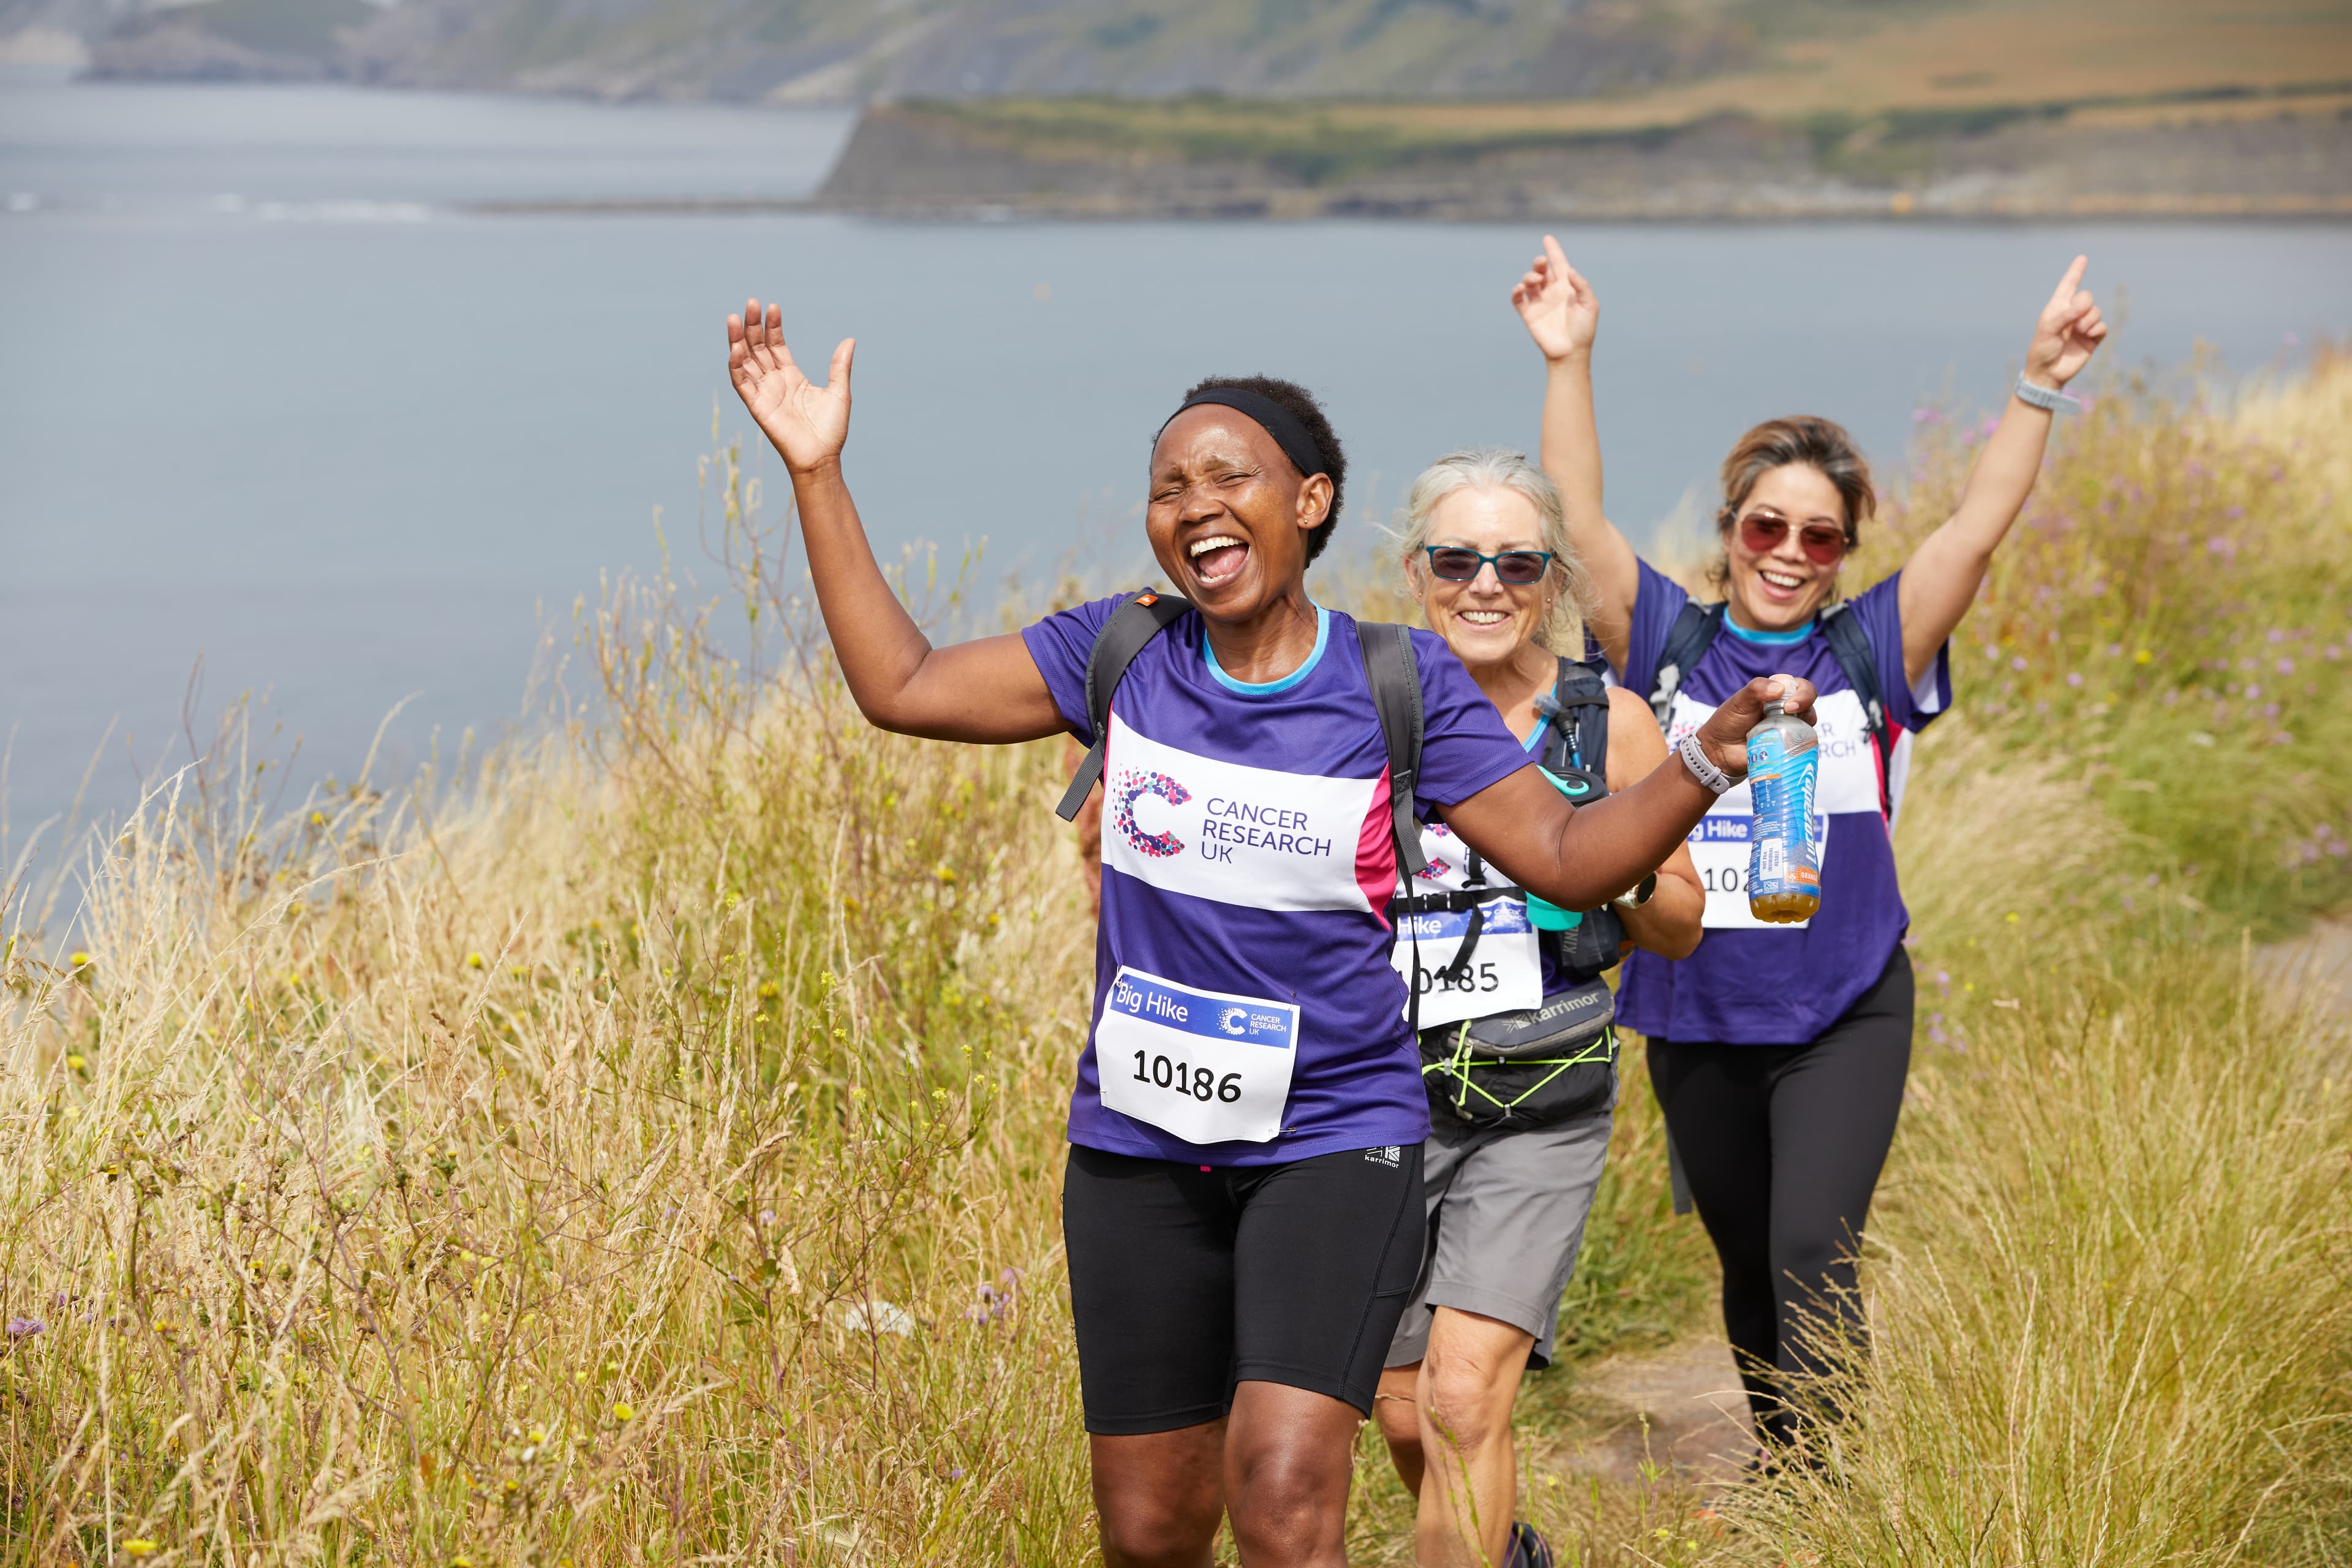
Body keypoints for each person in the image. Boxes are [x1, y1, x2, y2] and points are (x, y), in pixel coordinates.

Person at [725, 296, 1817, 1566]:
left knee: (1288, 1494)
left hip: (1335, 1137)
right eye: (1167, 485)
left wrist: (1702, 760)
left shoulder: (1399, 682)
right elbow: (900, 684)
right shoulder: (1120, 652)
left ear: (1309, 501)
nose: (1194, 504)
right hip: (1138, 1145)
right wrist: (817, 470)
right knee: (1151, 1530)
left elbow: (1570, 854)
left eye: (1228, 476)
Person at [1511, 238, 2108, 1453]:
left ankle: (1847, 1499)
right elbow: (1574, 521)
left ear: (1845, 554)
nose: (1789, 551)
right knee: (1745, 1262)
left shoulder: (1869, 652)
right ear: (1731, 527)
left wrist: (2039, 384)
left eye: (1821, 537)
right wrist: (1570, 359)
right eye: (1768, 525)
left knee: (1809, 1246)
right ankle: (1793, 1471)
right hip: (1697, 1010)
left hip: (1845, 1003)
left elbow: (1978, 530)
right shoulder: (1667, 642)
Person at [1370, 450, 1703, 1568]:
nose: (1485, 585)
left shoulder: (1603, 723)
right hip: (1379, 1092)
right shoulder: (1368, 705)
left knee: (1465, 1402)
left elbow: (1685, 921)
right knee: (1404, 1405)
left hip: (1540, 1091)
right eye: (1458, 558)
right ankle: (1502, 1551)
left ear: (1552, 578)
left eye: (1517, 562)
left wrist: (1592, 860)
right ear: (1417, 570)